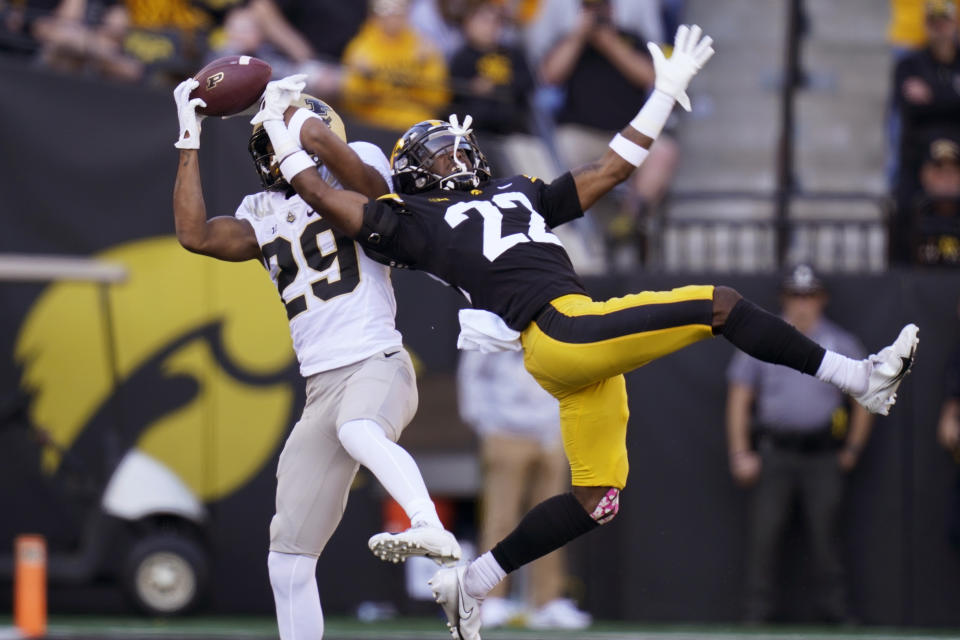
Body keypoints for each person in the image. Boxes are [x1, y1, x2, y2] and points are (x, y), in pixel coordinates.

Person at [253, 25, 919, 640]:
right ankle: (856, 379)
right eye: (440, 151)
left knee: (597, 497)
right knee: (720, 304)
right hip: (564, 329)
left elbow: (610, 171)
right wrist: (291, 139)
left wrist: (662, 95)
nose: (457, 152)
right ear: (416, 173)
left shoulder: (516, 191)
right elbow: (326, 197)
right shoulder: (412, 221)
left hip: (576, 346)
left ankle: (473, 583)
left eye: (457, 143)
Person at [170, 78, 460, 640]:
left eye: (274, 137)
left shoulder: (356, 166)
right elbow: (195, 235)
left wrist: (296, 119)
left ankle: (428, 526)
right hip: (319, 386)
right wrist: (190, 135)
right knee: (288, 557)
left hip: (377, 358)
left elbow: (370, 186)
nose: (268, 150)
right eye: (263, 142)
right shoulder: (260, 209)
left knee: (359, 428)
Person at [726, 264, 874, 624]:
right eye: (796, 295)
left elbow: (865, 396)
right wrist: (740, 451)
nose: (802, 304)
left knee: (827, 537)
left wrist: (852, 448)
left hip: (822, 454)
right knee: (765, 536)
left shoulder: (840, 342)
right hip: (775, 452)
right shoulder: (762, 337)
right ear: (784, 298)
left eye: (809, 296)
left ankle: (836, 612)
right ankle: (756, 615)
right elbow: (739, 397)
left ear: (822, 299)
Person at [527, 0, 676, 268]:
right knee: (559, 150)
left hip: (629, 132)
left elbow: (649, 77)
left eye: (602, 7)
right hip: (581, 133)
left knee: (664, 151)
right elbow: (549, 75)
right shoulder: (570, 41)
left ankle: (629, 221)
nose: (598, 13)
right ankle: (575, 236)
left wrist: (608, 41)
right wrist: (579, 36)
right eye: (590, 8)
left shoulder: (630, 37)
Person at [456, 350, 590, 631]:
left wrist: (561, 421)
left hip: (551, 431)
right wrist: (485, 423)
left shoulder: (554, 316)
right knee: (500, 519)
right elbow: (472, 375)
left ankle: (547, 601)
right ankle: (490, 600)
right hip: (504, 430)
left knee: (555, 522)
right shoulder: (491, 321)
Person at [891, 0, 960, 262]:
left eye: (945, 22)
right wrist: (952, 97)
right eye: (934, 23)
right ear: (926, 26)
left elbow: (924, 106)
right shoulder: (908, 64)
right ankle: (902, 268)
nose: (940, 29)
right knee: (905, 204)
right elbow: (906, 106)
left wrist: (932, 96)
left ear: (955, 23)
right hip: (919, 155)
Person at [340, 0, 450, 132]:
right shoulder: (360, 49)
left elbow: (438, 101)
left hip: (416, 126)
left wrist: (423, 69)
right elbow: (351, 103)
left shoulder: (423, 46)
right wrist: (364, 78)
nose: (393, 18)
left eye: (399, 11)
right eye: (386, 11)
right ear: (374, 15)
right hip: (373, 125)